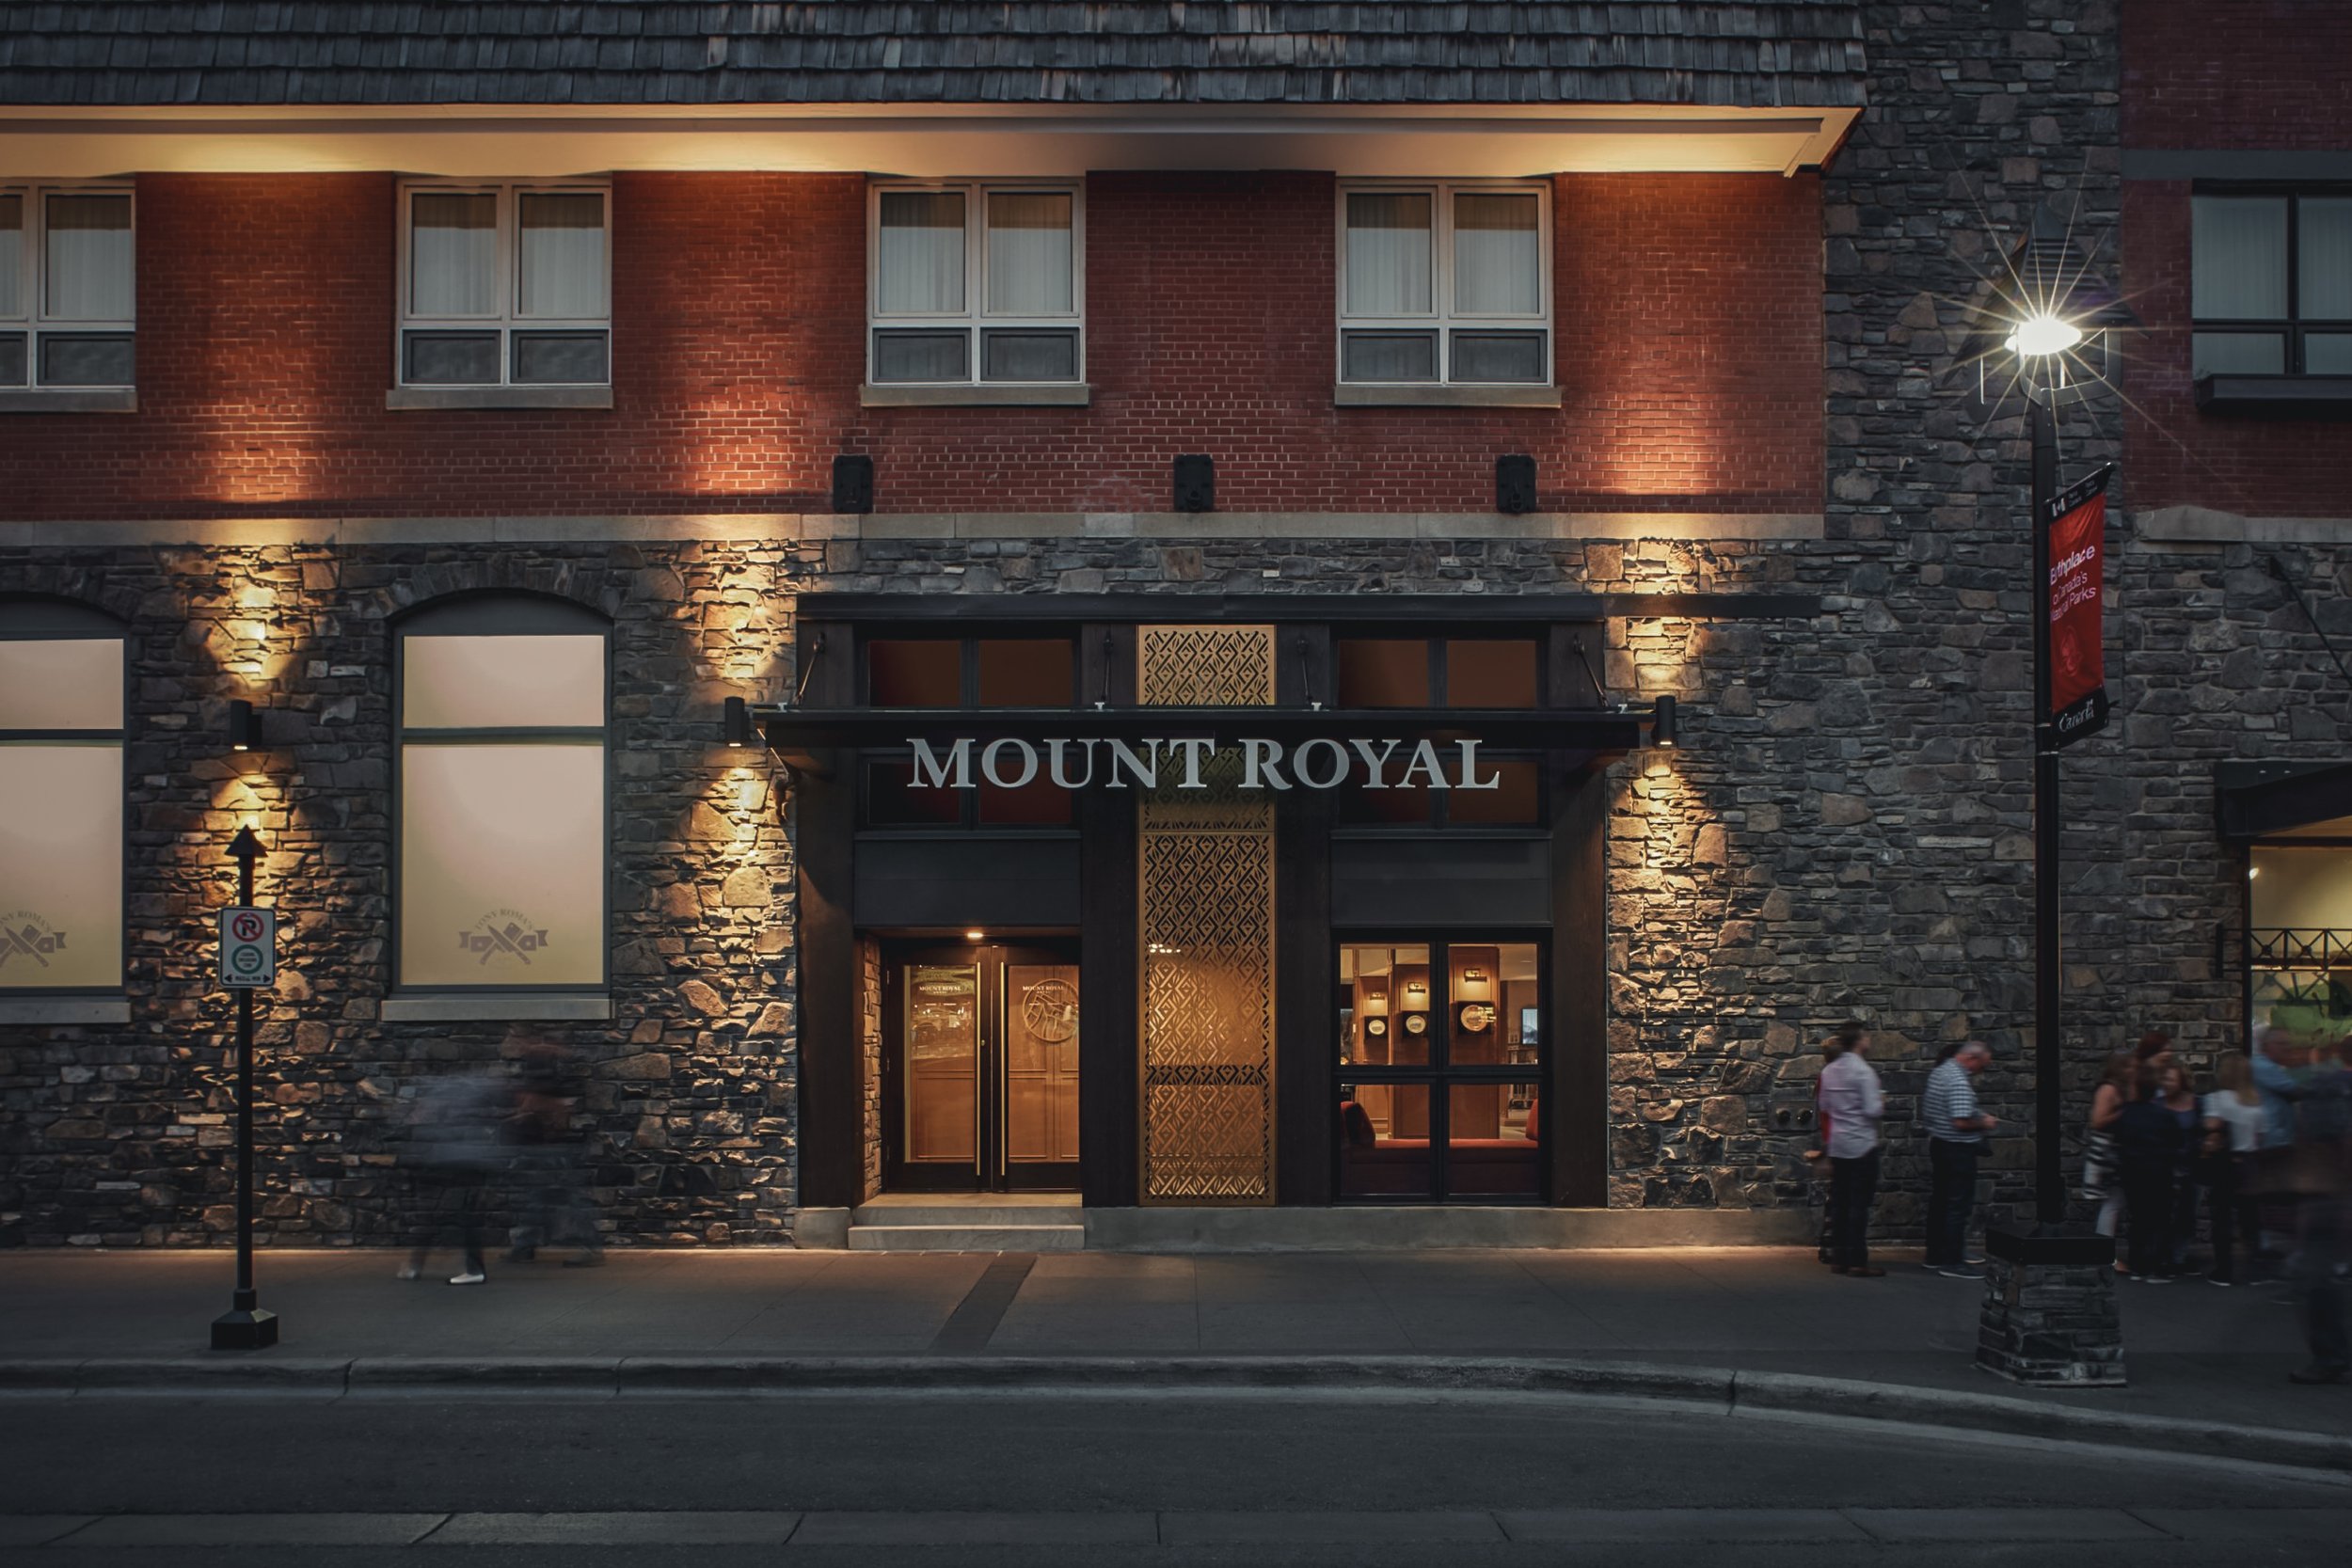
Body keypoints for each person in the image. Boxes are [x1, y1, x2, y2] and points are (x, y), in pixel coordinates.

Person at [396, 1066, 513, 1286]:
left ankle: (422, 1266)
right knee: (453, 1213)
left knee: (445, 1213)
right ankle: (420, 1266)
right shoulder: (471, 1093)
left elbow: (440, 1128)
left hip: (455, 1162)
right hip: (468, 1161)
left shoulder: (447, 1096)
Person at [1816, 1021, 1885, 1277]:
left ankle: (1839, 1257)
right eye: (1867, 1037)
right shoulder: (1863, 1072)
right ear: (1859, 1040)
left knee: (1840, 1204)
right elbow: (1872, 1110)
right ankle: (1857, 1261)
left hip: (1838, 1144)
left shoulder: (1829, 1071)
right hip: (1862, 1144)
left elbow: (1824, 1105)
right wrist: (1881, 1102)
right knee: (1859, 1205)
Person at [1922, 1040, 1996, 1277]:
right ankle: (1952, 1261)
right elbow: (1961, 1121)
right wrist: (1984, 1122)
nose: (1979, 1071)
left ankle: (1934, 1255)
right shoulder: (1958, 1081)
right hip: (1957, 1150)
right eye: (1981, 1065)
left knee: (1940, 1202)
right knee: (1957, 1206)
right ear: (1972, 1059)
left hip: (1940, 1144)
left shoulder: (1940, 1072)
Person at [2113, 1064, 2185, 1282]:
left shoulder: (2125, 1114)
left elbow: (2118, 1140)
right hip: (2160, 1173)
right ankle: (2159, 1265)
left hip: (2133, 1173)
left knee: (2138, 1220)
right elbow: (2177, 1142)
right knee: (2162, 1220)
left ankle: (2138, 1265)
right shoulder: (2164, 1115)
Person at [2203, 1050, 2265, 1287]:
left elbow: (2212, 1127)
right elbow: (2261, 1137)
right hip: (2250, 1163)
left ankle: (2224, 1271)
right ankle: (2255, 1270)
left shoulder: (2217, 1099)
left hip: (2225, 1163)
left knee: (2222, 1218)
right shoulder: (2257, 1101)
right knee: (2251, 1219)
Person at [2086, 1049, 2137, 1245]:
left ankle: (2104, 1249)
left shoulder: (2123, 1088)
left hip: (2117, 1152)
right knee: (2113, 1203)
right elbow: (2097, 1121)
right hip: (2108, 1154)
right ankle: (2105, 1250)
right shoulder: (2108, 1089)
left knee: (2115, 1202)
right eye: (2130, 1065)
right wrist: (2124, 1113)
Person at [2160, 1062, 2203, 1274]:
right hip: (2165, 1167)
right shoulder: (2157, 1104)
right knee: (2164, 1214)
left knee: (2187, 1214)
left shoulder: (2197, 1104)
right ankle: (2164, 1256)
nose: (2167, 1083)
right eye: (2165, 1078)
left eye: (2171, 1079)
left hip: (2191, 1166)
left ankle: (2179, 1256)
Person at [1811, 1032, 1847, 1266]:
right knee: (1840, 1196)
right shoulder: (1836, 1077)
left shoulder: (1825, 1076)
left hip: (1831, 1138)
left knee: (1836, 1195)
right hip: (1839, 1140)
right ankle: (1833, 1245)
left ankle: (1829, 1243)